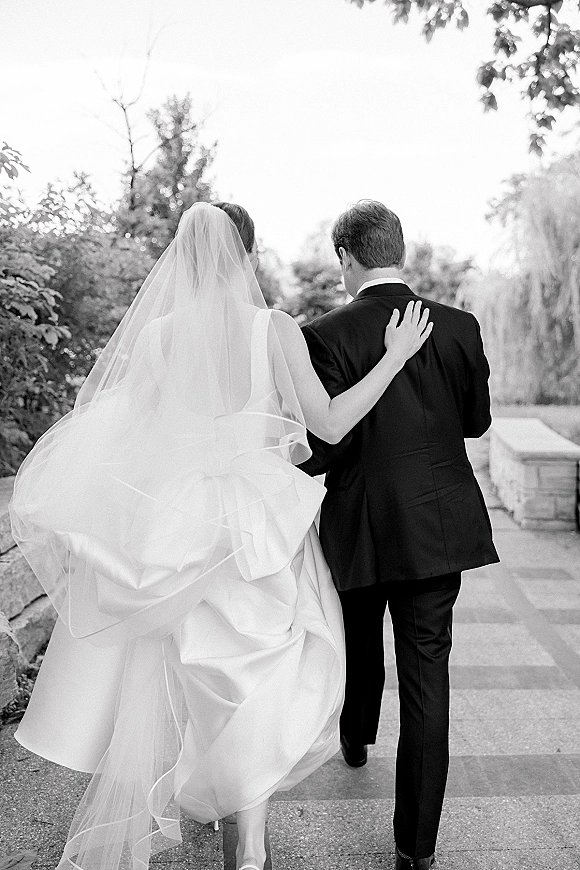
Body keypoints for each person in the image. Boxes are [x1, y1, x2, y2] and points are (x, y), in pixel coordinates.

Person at [9, 201, 432, 870]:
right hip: (256, 519)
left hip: (181, 519)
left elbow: (134, 434)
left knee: (193, 670)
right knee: (258, 670)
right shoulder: (274, 330)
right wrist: (394, 359)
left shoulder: (158, 337)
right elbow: (326, 425)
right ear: (249, 257)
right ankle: (249, 838)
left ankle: (211, 801)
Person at [299, 200, 499, 870]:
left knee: (359, 636)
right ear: (399, 250)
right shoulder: (460, 327)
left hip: (361, 523)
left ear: (345, 257)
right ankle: (417, 849)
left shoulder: (325, 333)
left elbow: (321, 448)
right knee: (426, 678)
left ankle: (356, 737)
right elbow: (474, 423)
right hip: (440, 525)